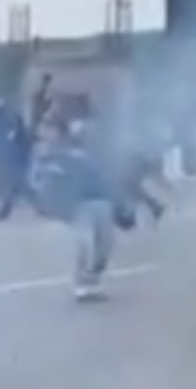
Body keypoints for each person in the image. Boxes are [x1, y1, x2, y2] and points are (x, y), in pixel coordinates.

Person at [34, 128, 117, 302]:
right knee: (85, 244)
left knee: (105, 247)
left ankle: (93, 281)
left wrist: (120, 204)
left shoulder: (100, 158)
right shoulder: (64, 158)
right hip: (82, 206)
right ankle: (81, 285)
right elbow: (47, 177)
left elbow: (111, 182)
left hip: (102, 202)